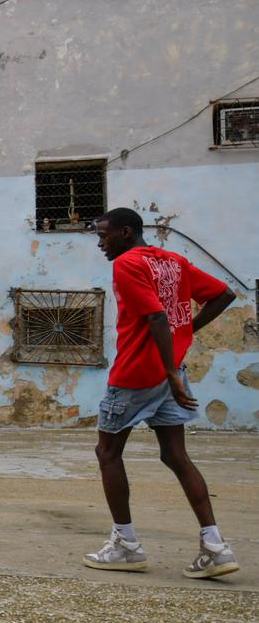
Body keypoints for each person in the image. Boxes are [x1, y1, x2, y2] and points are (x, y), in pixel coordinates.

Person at [84, 208, 239, 579]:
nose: (100, 243)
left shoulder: (126, 264)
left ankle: (126, 545)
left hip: (139, 374)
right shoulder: (173, 261)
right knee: (175, 455)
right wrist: (187, 334)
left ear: (125, 232)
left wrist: (169, 369)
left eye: (104, 236)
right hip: (171, 374)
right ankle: (215, 546)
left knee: (107, 452)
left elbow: (155, 318)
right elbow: (224, 294)